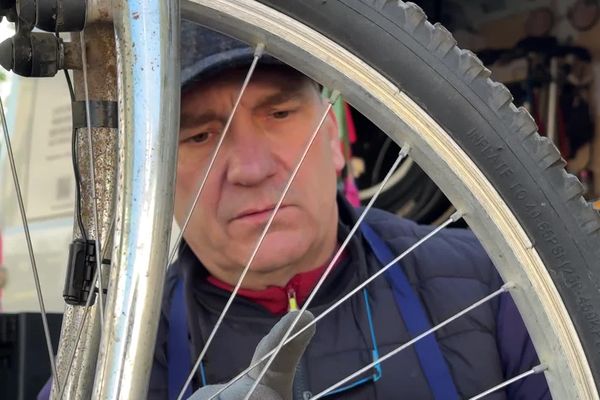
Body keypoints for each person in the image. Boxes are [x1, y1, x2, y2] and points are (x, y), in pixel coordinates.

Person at [149, 22, 550, 400]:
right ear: (159, 173)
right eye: (199, 135)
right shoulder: (129, 351)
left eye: (279, 114)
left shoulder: (499, 283)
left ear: (332, 137)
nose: (251, 170)